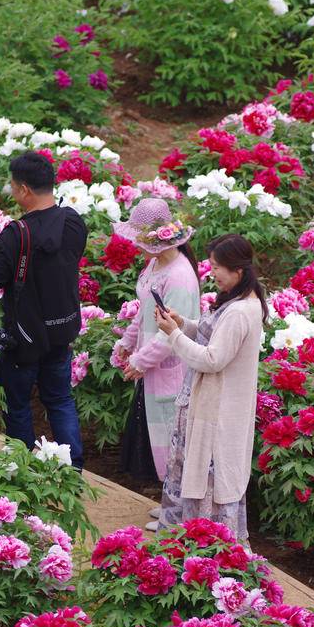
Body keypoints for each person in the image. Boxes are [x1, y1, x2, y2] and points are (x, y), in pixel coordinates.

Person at [0, 151, 88, 470]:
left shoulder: (17, 233)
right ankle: (72, 465)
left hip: (24, 334)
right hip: (63, 326)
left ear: (23, 189)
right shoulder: (73, 222)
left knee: (18, 404)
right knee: (60, 399)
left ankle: (23, 466)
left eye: (12, 185)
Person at [152, 234, 266, 542]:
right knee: (198, 479)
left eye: (216, 266)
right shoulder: (239, 301)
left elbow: (213, 358)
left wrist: (174, 334)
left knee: (209, 484)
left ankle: (202, 551)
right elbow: (212, 335)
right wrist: (184, 323)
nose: (211, 272)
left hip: (216, 414)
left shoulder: (241, 311)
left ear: (237, 270)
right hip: (207, 408)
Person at [111, 199, 201, 500]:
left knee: (172, 439)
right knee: (156, 438)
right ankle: (168, 503)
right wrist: (126, 342)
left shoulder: (180, 276)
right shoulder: (155, 264)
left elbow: (169, 334)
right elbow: (144, 310)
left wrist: (140, 360)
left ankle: (175, 508)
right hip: (152, 368)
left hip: (168, 370)